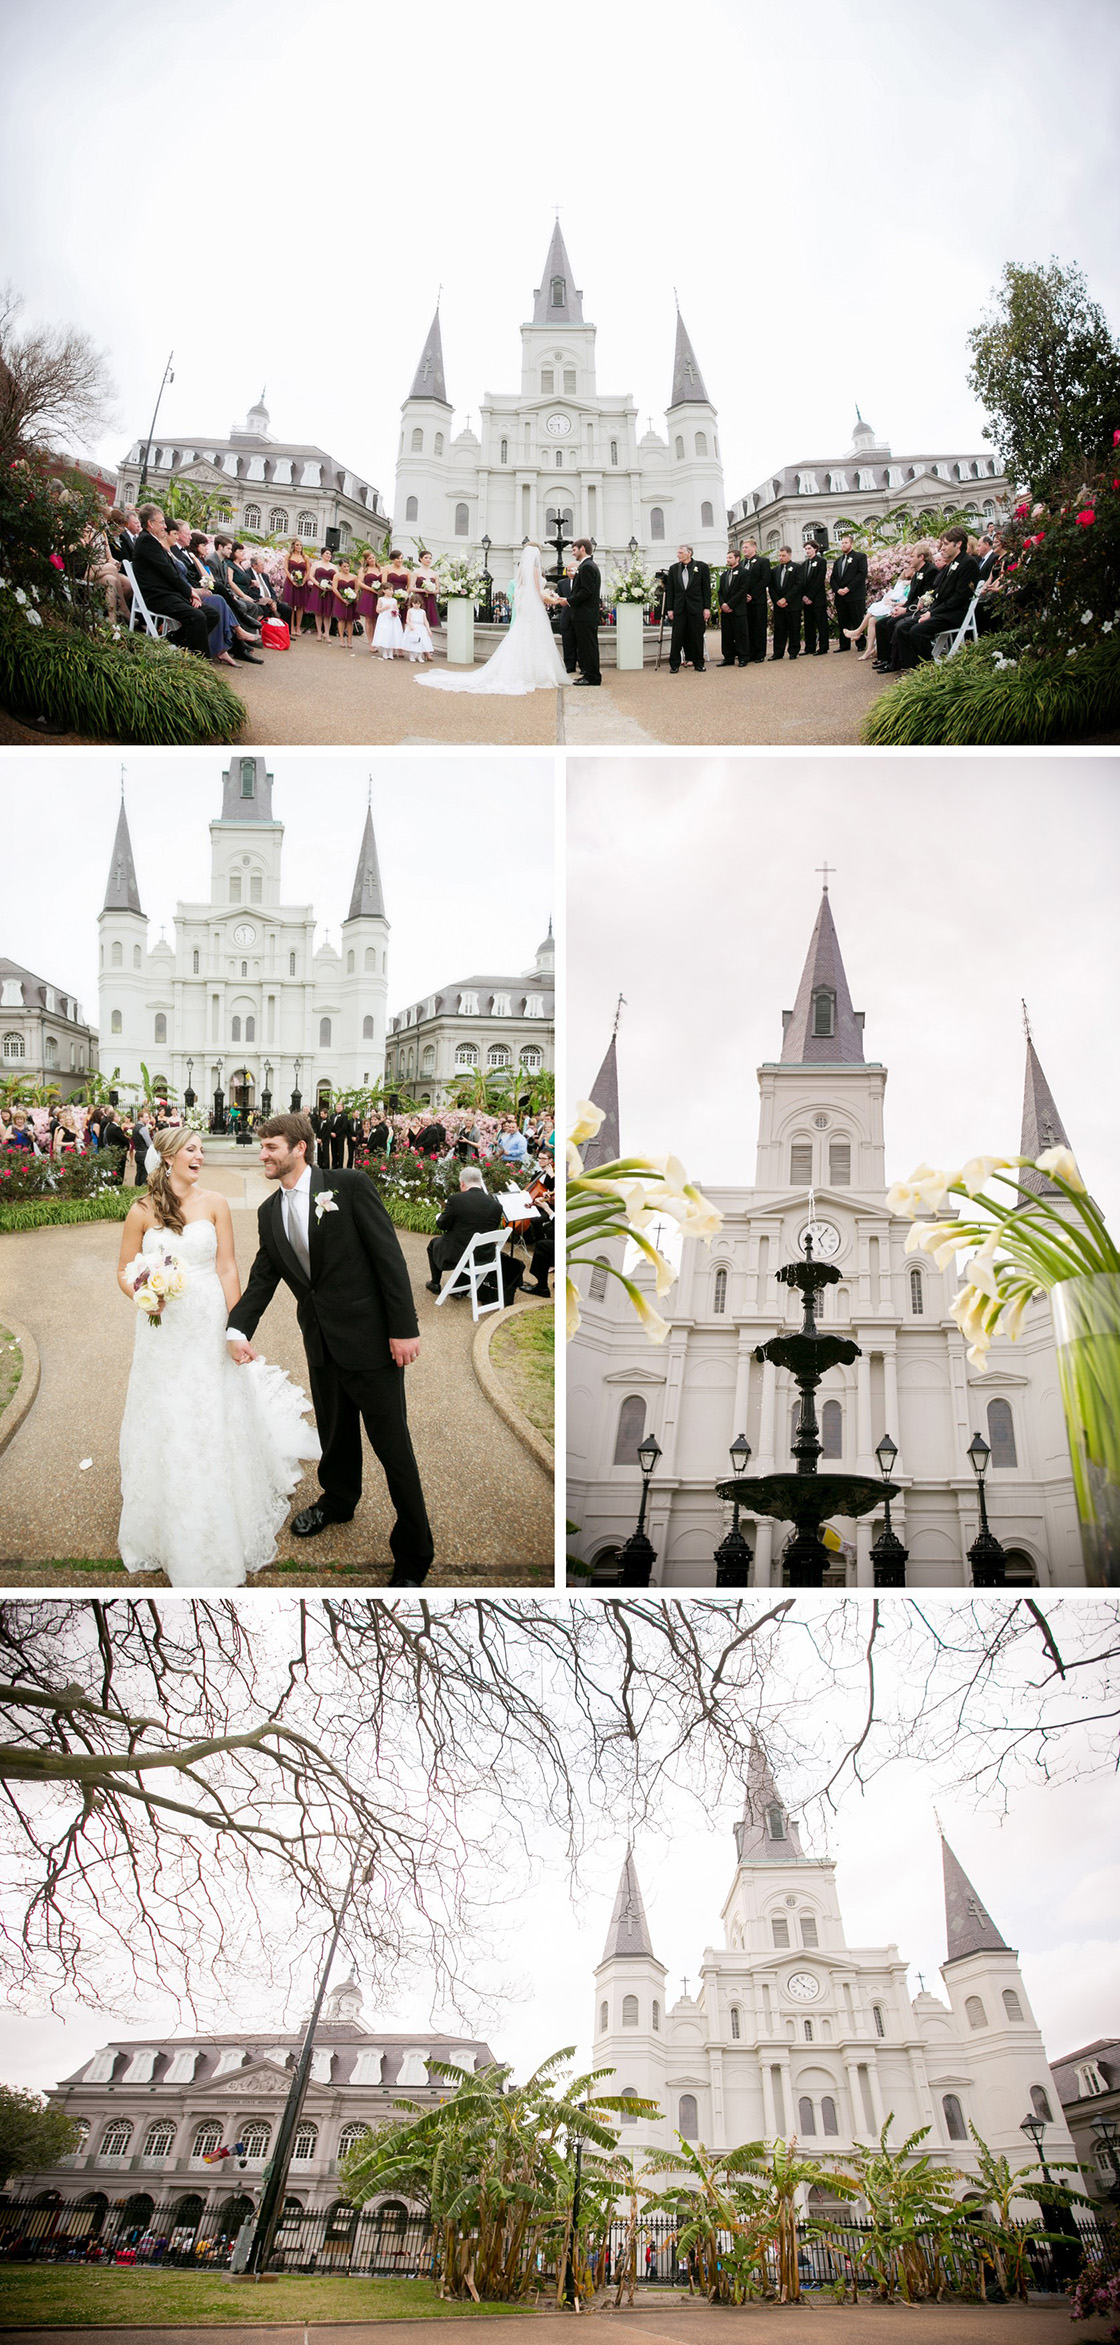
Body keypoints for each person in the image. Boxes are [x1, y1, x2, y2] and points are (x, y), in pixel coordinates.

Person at [227, 1114, 434, 1584]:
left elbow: (390, 1260)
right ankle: (338, 1502)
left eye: (272, 1146)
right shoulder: (267, 1213)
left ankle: (414, 1552)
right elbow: (263, 1277)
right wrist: (238, 1329)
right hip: (320, 1343)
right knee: (335, 1436)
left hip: (372, 1343)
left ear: (300, 1148)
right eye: (262, 1147)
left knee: (393, 1447)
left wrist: (404, 1328)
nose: (263, 1154)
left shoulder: (350, 1185)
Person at [115, 1128, 320, 1585]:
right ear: (167, 1157)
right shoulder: (141, 1211)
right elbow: (124, 1271)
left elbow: (228, 1266)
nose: (200, 1157)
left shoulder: (216, 1204)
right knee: (168, 1408)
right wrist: (143, 1294)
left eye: (202, 1150)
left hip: (207, 1318)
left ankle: (219, 1493)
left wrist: (237, 1327)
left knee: (211, 1403)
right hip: (162, 1329)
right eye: (192, 1150)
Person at [418, 542, 569, 694]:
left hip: (526, 610)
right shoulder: (535, 569)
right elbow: (537, 592)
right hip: (533, 609)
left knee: (522, 637)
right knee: (534, 638)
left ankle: (522, 671)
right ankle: (535, 673)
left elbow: (521, 590)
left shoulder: (523, 570)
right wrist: (554, 599)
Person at [876, 529, 980, 672]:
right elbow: (938, 591)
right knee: (903, 627)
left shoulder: (968, 563)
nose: (942, 548)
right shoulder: (951, 564)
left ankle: (927, 670)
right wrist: (927, 603)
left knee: (917, 631)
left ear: (958, 544)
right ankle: (910, 668)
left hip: (954, 613)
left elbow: (958, 598)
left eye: (946, 544)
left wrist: (932, 613)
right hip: (942, 611)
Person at [129, 507, 213, 656]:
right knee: (197, 617)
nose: (165, 526)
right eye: (161, 522)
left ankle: (175, 639)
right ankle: (201, 660)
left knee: (211, 614)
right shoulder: (147, 542)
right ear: (150, 523)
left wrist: (189, 593)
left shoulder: (152, 541)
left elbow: (171, 573)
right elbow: (170, 574)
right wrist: (190, 592)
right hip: (157, 597)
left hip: (169, 594)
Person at [425, 1164, 505, 1295]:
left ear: (462, 1183)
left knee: (434, 1244)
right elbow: (493, 1227)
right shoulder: (496, 1205)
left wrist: (440, 1218)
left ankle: (435, 1283)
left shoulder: (456, 1200)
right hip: (484, 1254)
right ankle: (459, 1287)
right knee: (463, 1243)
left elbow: (442, 1225)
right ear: (480, 1182)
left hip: (458, 1254)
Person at [664, 543, 711, 673]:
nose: (677, 555)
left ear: (688, 553)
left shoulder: (701, 567)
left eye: (680, 552)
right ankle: (674, 664)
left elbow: (706, 589)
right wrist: (670, 609)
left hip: (696, 607)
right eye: (677, 553)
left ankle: (698, 663)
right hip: (679, 608)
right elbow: (671, 591)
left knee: (696, 636)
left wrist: (706, 608)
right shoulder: (673, 569)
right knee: (677, 637)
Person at [830, 535, 868, 649]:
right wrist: (837, 589)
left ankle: (860, 644)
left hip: (854, 595)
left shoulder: (860, 557)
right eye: (842, 543)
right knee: (843, 621)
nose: (843, 545)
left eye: (846, 543)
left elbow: (861, 574)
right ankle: (844, 645)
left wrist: (848, 588)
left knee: (857, 620)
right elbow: (833, 578)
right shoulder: (838, 561)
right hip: (841, 597)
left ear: (851, 544)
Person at [738, 538, 771, 663]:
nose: (744, 550)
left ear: (754, 548)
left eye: (746, 547)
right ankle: (750, 652)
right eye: (743, 548)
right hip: (744, 601)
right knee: (748, 628)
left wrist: (752, 595)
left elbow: (765, 580)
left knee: (759, 627)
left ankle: (759, 653)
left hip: (758, 601)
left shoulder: (763, 562)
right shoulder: (741, 563)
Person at [769, 547, 803, 659]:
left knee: (794, 629)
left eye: (783, 555)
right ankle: (778, 653)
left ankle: (793, 651)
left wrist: (786, 599)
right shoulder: (774, 570)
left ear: (789, 555)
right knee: (779, 630)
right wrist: (777, 600)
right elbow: (772, 587)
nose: (781, 558)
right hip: (779, 606)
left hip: (792, 604)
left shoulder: (797, 568)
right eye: (779, 555)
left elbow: (798, 585)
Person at [717, 548, 748, 666]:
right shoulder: (724, 575)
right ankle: (728, 657)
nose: (728, 560)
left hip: (738, 609)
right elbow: (720, 592)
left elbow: (742, 591)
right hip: (725, 611)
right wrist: (723, 604)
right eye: (727, 558)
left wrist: (730, 604)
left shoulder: (744, 573)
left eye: (730, 557)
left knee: (740, 634)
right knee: (727, 635)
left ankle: (743, 657)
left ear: (737, 558)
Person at [801, 541, 830, 654]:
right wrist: (804, 596)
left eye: (809, 548)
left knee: (821, 624)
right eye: (806, 549)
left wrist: (810, 596)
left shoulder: (821, 561)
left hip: (817, 599)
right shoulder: (804, 564)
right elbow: (802, 582)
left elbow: (819, 580)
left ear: (815, 549)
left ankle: (823, 647)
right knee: (809, 625)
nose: (807, 551)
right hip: (806, 600)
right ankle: (809, 647)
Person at [373, 586, 404, 659]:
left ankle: (391, 652)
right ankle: (385, 651)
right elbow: (377, 610)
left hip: (392, 619)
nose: (391, 591)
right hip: (384, 618)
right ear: (384, 590)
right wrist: (384, 608)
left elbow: (396, 609)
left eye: (392, 590)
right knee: (385, 633)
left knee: (392, 633)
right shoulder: (381, 599)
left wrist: (396, 611)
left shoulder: (394, 600)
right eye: (389, 590)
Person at [402, 591, 434, 663]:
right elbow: (407, 619)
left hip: (421, 627)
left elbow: (425, 621)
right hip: (413, 626)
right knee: (413, 641)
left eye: (418, 603)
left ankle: (420, 656)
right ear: (412, 603)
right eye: (415, 603)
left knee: (422, 641)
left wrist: (428, 630)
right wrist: (410, 625)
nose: (417, 605)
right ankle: (412, 655)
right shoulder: (410, 610)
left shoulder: (422, 611)